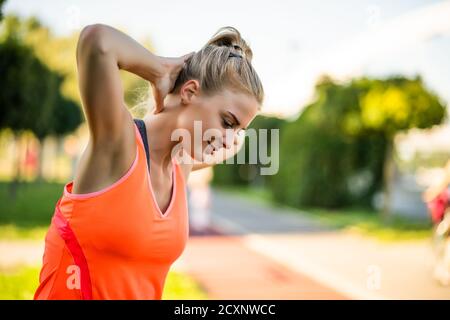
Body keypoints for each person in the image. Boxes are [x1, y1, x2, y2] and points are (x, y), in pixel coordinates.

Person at [34, 23, 264, 299]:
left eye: (239, 130)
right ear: (190, 92)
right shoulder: (119, 145)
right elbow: (97, 42)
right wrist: (159, 70)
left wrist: (228, 132)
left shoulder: (181, 167)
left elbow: (231, 147)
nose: (229, 139)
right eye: (227, 122)